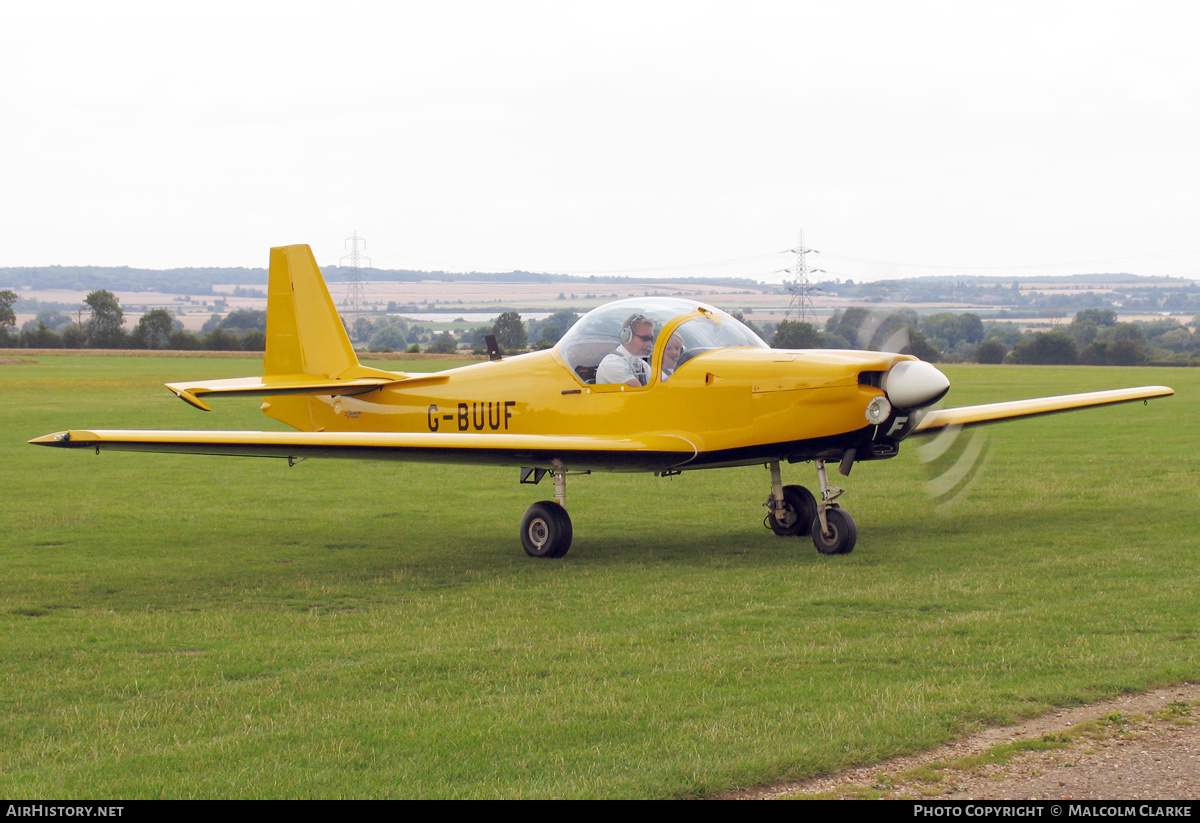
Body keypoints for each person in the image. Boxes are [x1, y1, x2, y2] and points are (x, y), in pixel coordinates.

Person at [596, 314, 654, 386]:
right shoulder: (612, 363)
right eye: (645, 338)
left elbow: (656, 389)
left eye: (651, 339)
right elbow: (641, 393)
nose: (649, 344)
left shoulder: (643, 365)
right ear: (627, 336)